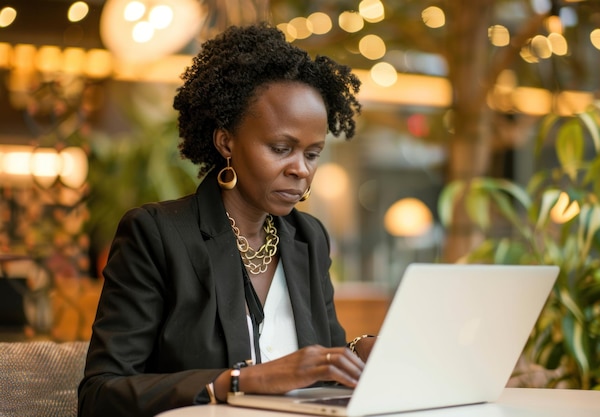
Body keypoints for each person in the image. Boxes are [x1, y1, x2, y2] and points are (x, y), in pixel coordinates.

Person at [78, 22, 376, 417]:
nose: (300, 169)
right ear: (226, 142)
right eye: (281, 148)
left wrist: (358, 353)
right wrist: (238, 381)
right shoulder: (157, 234)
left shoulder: (309, 238)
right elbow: (100, 395)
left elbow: (322, 369)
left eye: (312, 153)